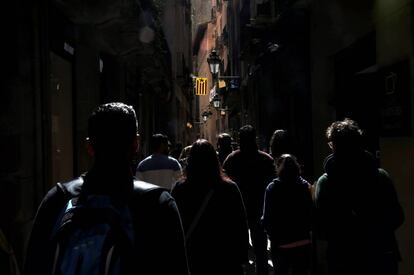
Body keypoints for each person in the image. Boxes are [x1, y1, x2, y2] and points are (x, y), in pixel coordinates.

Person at [24, 102, 189, 275]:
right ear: (136, 144)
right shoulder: (158, 205)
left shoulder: (57, 199)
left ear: (89, 146)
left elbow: (33, 267)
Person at [314, 118, 404, 275]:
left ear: (334, 146)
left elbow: (321, 229)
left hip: (343, 259)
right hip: (381, 255)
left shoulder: (326, 182)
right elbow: (397, 216)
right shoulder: (380, 177)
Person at [171, 139, 249, 275]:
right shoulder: (229, 188)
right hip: (225, 260)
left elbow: (173, 227)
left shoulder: (180, 189)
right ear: (214, 160)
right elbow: (240, 225)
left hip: (193, 259)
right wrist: (241, 258)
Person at [223, 125, 275, 275]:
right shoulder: (266, 159)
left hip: (238, 212)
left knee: (238, 251)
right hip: (259, 210)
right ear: (255, 139)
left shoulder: (232, 160)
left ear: (239, 140)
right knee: (261, 251)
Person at [262, 154, 312, 275]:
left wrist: (271, 234)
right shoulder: (305, 186)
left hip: (280, 243)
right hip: (302, 241)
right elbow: (311, 213)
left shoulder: (272, 188)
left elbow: (267, 218)